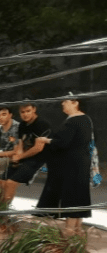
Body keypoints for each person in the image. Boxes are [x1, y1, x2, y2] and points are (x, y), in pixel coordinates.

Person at [33, 94, 93, 236]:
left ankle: (69, 231)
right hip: (82, 161)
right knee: (80, 195)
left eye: (65, 102)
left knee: (71, 195)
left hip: (71, 164)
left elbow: (62, 142)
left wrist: (45, 140)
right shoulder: (86, 119)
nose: (62, 104)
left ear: (75, 103)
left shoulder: (73, 121)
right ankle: (77, 230)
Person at [0, 101, 53, 201]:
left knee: (10, 183)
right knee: (1, 182)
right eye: (22, 112)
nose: (25, 114)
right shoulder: (22, 125)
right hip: (25, 156)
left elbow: (38, 148)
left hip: (40, 158)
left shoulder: (43, 124)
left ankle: (2, 214)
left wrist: (20, 157)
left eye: (28, 111)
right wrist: (17, 157)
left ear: (34, 109)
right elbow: (20, 143)